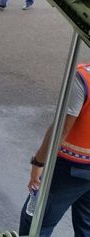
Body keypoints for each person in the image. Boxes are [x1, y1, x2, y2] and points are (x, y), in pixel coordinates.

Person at [19, 63, 90, 237]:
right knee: (86, 227)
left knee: (35, 221)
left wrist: (38, 162)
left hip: (70, 170)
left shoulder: (83, 79)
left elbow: (61, 130)